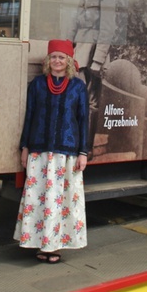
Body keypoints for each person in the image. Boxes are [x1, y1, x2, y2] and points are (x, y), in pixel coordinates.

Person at [14, 39, 89, 264]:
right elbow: (29, 116)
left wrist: (83, 152)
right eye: (53, 57)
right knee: (39, 199)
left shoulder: (78, 87)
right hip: (39, 151)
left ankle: (55, 245)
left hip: (67, 153)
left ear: (69, 61)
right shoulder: (37, 85)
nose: (57, 61)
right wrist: (25, 147)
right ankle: (39, 243)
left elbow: (84, 120)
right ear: (48, 60)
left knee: (61, 200)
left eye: (61, 57)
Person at [67, 0, 117, 151]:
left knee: (91, 102)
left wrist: (98, 59)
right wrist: (66, 47)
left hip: (94, 53)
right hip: (80, 51)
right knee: (77, 97)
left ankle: (85, 148)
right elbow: (74, 23)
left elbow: (107, 29)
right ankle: (74, 142)